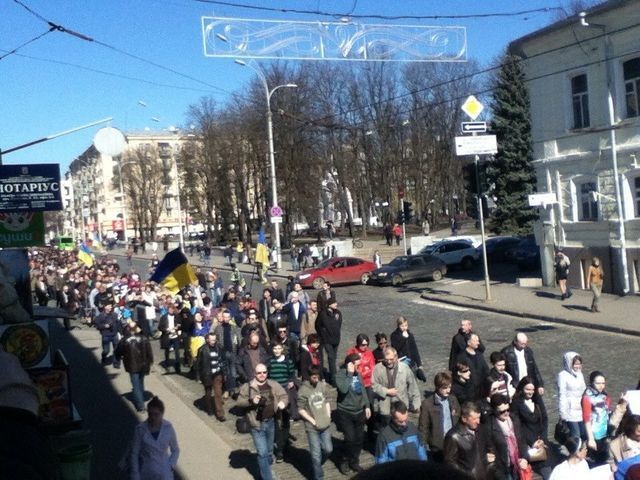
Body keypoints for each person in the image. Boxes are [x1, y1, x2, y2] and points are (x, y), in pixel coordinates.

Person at [237, 363, 288, 480]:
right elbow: (239, 402)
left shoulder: (273, 384)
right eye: (259, 373)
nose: (262, 375)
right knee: (262, 453)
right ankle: (268, 477)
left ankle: (267, 469)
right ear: (255, 374)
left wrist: (282, 403)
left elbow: (284, 395)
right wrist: (251, 401)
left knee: (269, 452)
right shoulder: (248, 386)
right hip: (256, 425)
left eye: (264, 372)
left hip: (270, 423)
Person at [335, 353, 371, 475]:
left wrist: (367, 405)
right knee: (350, 438)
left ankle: (354, 461)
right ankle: (345, 460)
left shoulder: (358, 374)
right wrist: (350, 374)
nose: (359, 369)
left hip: (359, 411)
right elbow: (343, 389)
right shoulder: (340, 375)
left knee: (359, 438)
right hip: (346, 412)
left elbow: (363, 390)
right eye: (357, 366)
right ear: (349, 365)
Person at [130, 396, 179, 480]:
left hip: (165, 473)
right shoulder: (140, 429)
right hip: (147, 473)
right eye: (150, 414)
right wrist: (135, 473)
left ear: (162, 413)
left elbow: (175, 449)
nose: (152, 417)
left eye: (156, 414)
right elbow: (134, 453)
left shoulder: (168, 428)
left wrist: (171, 465)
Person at [511, 377, 551, 480]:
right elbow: (517, 427)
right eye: (527, 389)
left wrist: (542, 438)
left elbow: (545, 419)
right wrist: (531, 443)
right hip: (526, 443)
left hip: (541, 441)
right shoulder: (516, 403)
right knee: (528, 475)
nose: (530, 392)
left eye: (532, 390)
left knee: (547, 473)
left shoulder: (537, 400)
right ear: (522, 389)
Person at [297, 365, 333, 480]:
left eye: (317, 377)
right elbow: (301, 409)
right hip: (312, 426)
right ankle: (319, 476)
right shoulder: (303, 390)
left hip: (325, 423)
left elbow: (327, 400)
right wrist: (312, 420)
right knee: (316, 454)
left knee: (328, 449)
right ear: (309, 377)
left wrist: (328, 415)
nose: (316, 379)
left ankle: (316, 466)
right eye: (313, 377)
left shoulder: (322, 386)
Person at [371, 346, 422, 427]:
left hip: (401, 406)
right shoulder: (378, 368)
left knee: (402, 428)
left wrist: (416, 404)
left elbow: (413, 386)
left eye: (391, 359)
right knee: (387, 430)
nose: (389, 362)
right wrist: (386, 391)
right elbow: (373, 385)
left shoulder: (404, 368)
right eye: (386, 359)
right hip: (386, 408)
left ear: (396, 357)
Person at [418, 371, 461, 462]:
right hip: (438, 446)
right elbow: (423, 427)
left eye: (449, 387)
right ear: (437, 387)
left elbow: (458, 418)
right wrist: (423, 445)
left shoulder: (453, 400)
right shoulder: (427, 404)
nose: (448, 390)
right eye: (445, 388)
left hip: (453, 442)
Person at [486, 393, 530, 480]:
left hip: (519, 464)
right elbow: (491, 452)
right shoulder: (489, 427)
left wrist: (524, 458)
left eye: (507, 409)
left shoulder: (514, 419)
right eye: (502, 411)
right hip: (504, 469)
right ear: (494, 410)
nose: (506, 413)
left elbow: (522, 441)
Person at [443, 401, 490, 479]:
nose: (478, 421)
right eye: (475, 419)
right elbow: (450, 463)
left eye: (479, 417)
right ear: (464, 419)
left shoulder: (481, 429)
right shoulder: (453, 436)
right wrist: (467, 474)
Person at [267, 342, 297, 462]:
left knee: (285, 419)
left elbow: (291, 374)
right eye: (275, 348)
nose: (277, 350)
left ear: (282, 349)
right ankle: (279, 448)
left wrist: (291, 381)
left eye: (279, 348)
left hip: (285, 393)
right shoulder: (270, 362)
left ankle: (283, 444)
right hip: (274, 394)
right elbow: (268, 376)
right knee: (276, 420)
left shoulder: (288, 362)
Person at [115, 322, 153, 412]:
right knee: (140, 383)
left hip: (132, 365)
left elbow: (118, 351)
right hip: (143, 364)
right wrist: (150, 363)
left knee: (136, 386)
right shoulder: (144, 338)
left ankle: (141, 406)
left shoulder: (125, 340)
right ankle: (141, 399)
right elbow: (149, 353)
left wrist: (118, 358)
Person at [581, 370, 612, 465]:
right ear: (591, 383)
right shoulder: (587, 397)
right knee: (596, 460)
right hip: (594, 433)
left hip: (604, 431)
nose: (601, 386)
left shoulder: (604, 395)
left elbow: (608, 411)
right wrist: (591, 439)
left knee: (605, 457)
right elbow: (586, 419)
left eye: (603, 383)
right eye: (598, 383)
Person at [195, 332, 226, 421]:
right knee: (208, 393)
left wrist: (223, 371)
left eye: (214, 339)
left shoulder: (219, 347)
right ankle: (209, 408)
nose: (213, 341)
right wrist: (198, 376)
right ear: (207, 340)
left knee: (218, 393)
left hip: (217, 373)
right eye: (211, 340)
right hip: (207, 374)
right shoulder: (202, 349)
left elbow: (223, 359)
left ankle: (220, 414)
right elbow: (198, 364)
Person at [558, 351, 586, 440]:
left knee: (583, 433)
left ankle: (583, 452)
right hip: (570, 411)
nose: (578, 366)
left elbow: (584, 390)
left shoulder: (580, 374)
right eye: (575, 364)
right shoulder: (562, 375)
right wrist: (563, 414)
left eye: (579, 364)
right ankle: (575, 453)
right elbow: (562, 394)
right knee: (575, 435)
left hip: (581, 409)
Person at [390, 316, 426, 382]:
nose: (404, 328)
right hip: (402, 363)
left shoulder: (410, 335)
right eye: (402, 326)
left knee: (413, 382)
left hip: (411, 363)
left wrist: (419, 364)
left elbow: (414, 349)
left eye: (406, 325)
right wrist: (403, 338)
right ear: (398, 326)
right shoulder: (394, 335)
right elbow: (396, 348)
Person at [316, 298, 343, 386]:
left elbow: (339, 324)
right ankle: (334, 379)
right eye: (334, 303)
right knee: (331, 358)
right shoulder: (323, 314)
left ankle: (333, 374)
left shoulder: (338, 313)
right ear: (329, 304)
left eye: (336, 302)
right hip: (327, 340)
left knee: (334, 358)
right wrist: (323, 334)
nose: (336, 304)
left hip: (336, 339)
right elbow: (317, 325)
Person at [455, 334, 489, 401]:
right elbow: (458, 374)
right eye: (476, 341)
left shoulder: (479, 355)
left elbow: (486, 370)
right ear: (468, 342)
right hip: (469, 392)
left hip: (481, 392)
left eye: (478, 341)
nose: (478, 343)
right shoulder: (461, 357)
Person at [94, 303, 121, 369]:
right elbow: (97, 326)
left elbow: (118, 324)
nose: (111, 307)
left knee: (116, 350)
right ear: (105, 307)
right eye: (109, 306)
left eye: (111, 306)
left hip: (114, 335)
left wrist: (120, 332)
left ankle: (116, 363)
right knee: (106, 350)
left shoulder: (115, 314)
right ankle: (103, 356)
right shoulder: (100, 316)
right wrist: (104, 326)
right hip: (106, 335)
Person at [158, 304, 182, 374]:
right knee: (167, 351)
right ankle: (167, 365)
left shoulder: (177, 316)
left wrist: (178, 327)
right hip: (167, 336)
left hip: (175, 336)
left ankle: (178, 367)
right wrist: (166, 329)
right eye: (170, 309)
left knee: (177, 351)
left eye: (173, 309)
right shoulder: (163, 317)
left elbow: (180, 324)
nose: (171, 310)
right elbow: (159, 327)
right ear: (168, 309)